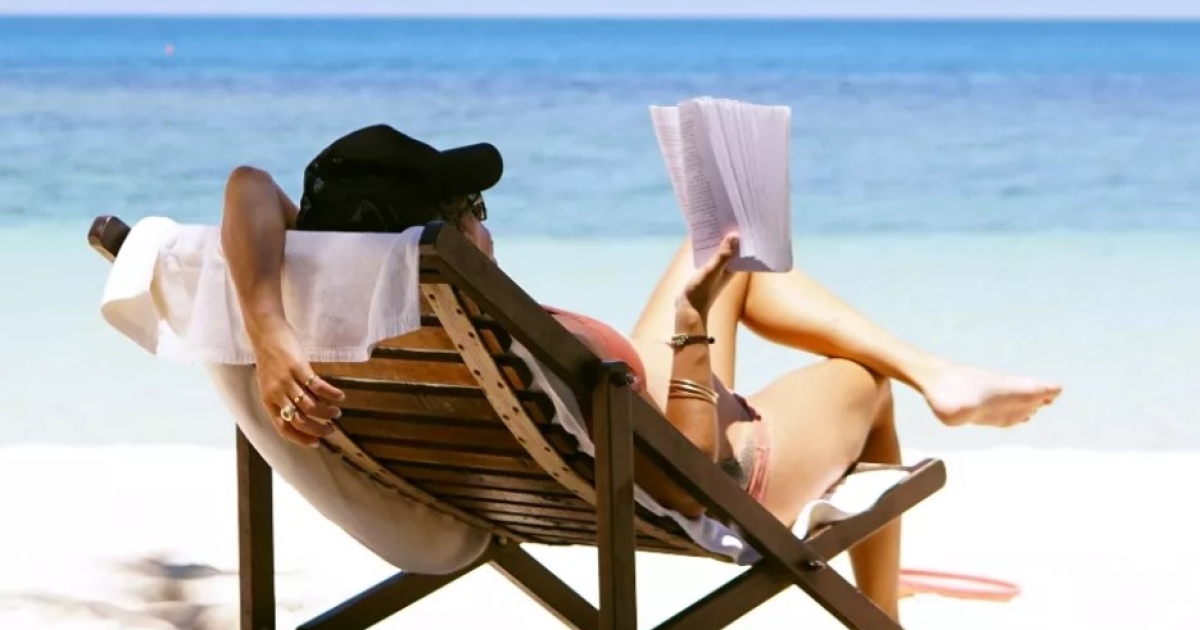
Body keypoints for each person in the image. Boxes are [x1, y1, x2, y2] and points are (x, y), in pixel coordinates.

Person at [219, 124, 1061, 620]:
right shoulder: (525, 335)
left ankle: (938, 374)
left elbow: (249, 184)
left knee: (721, 250)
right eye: (472, 209)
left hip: (528, 457)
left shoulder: (321, 302)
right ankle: (885, 608)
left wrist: (269, 333)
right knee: (863, 383)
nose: (485, 224)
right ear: (446, 237)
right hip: (694, 473)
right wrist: (691, 333)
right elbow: (695, 486)